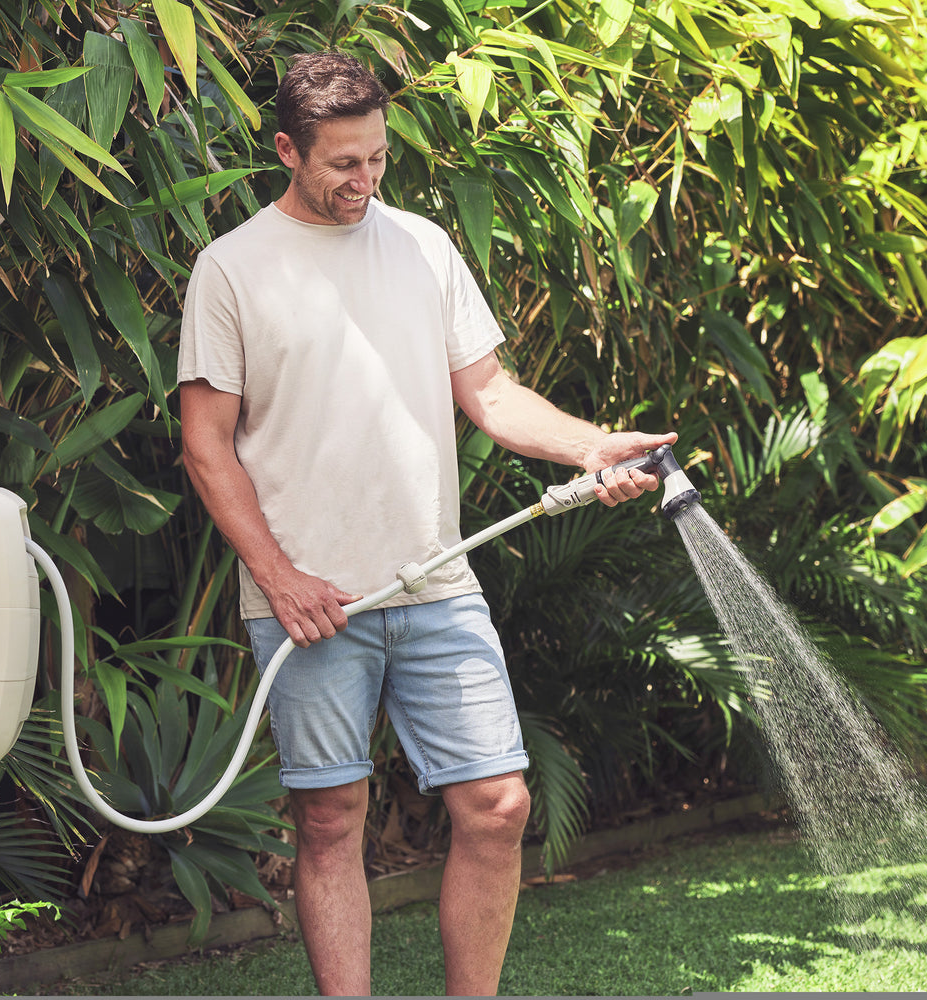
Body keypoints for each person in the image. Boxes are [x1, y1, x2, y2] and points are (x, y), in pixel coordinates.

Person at [176, 52, 675, 996]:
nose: (364, 182)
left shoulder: (423, 247)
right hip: (309, 604)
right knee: (330, 821)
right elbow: (206, 448)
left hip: (437, 579)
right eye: (342, 165)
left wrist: (589, 446)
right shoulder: (232, 269)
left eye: (376, 158)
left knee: (496, 804)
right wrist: (281, 579)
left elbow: (489, 392)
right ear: (288, 149)